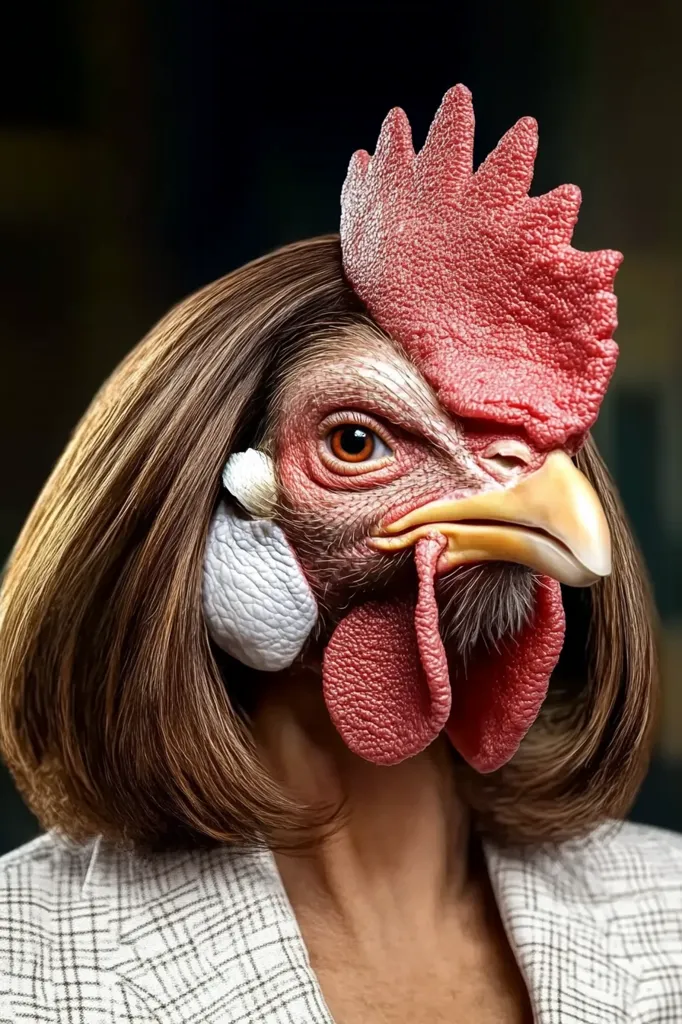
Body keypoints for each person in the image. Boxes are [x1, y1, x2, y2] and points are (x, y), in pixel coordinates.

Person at [0, 85, 680, 1024]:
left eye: (530, 455)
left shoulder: (668, 911)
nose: (536, 488)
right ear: (222, 503)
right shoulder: (26, 961)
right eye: (357, 442)